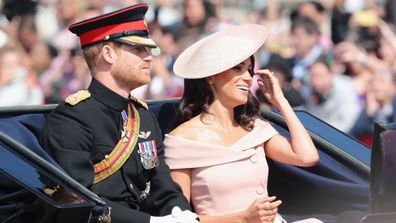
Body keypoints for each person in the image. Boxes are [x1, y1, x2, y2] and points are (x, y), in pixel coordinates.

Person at [40, 4, 198, 223]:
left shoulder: (143, 117)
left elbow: (162, 186)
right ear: (108, 54)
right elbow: (77, 201)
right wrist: (150, 222)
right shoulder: (71, 119)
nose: (149, 57)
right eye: (138, 49)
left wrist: (183, 214)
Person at [164, 24, 322, 223]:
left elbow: (306, 156)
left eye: (249, 70)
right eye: (238, 69)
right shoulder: (182, 140)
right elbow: (177, 218)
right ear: (211, 76)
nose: (248, 78)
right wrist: (243, 218)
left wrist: (281, 101)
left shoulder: (254, 128)